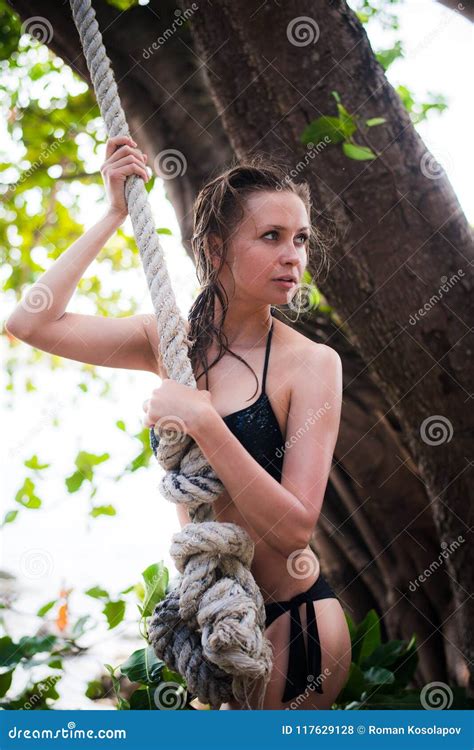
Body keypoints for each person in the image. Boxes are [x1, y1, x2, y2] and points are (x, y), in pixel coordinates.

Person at [6, 135, 351, 710]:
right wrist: (114, 212)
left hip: (294, 621)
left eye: (301, 239)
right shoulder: (168, 344)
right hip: (210, 616)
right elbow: (31, 322)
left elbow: (295, 528)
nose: (293, 256)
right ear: (215, 249)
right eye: (271, 237)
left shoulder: (311, 364)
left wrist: (204, 421)